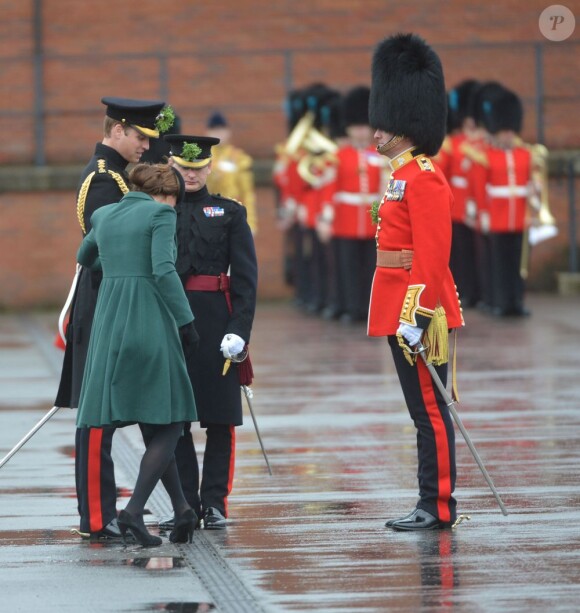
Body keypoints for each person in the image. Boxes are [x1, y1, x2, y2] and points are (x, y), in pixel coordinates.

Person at [54, 97, 175, 540]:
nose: (146, 146)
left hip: (115, 301)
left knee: (113, 411)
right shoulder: (105, 181)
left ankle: (118, 511)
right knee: (96, 415)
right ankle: (97, 516)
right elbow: (107, 253)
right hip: (108, 301)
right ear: (117, 130)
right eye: (141, 137)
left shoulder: (119, 178)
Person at [366, 33, 464, 530]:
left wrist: (418, 313)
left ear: (404, 124)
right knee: (420, 411)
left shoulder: (424, 177)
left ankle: (438, 504)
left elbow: (431, 254)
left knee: (430, 409)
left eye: (383, 124)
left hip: (419, 310)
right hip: (396, 304)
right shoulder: (400, 175)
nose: (374, 133)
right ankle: (429, 499)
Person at [75, 163, 199, 546]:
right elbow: (163, 270)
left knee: (155, 422)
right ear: (166, 194)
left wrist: (116, 269)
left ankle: (182, 511)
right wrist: (186, 320)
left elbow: (85, 256)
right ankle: (133, 511)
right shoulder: (160, 213)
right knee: (172, 421)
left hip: (110, 321)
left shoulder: (104, 214)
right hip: (148, 318)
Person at [160, 133, 258, 530]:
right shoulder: (159, 213)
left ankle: (215, 503)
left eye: (198, 168)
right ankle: (184, 503)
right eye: (184, 169)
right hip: (170, 319)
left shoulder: (230, 213)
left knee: (220, 417)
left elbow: (246, 280)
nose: (192, 175)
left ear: (210, 167)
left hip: (217, 319)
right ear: (172, 167)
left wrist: (240, 331)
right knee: (174, 418)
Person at [317, 85, 387, 323]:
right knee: (346, 268)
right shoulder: (338, 156)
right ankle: (349, 307)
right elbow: (330, 190)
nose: (360, 132)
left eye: (363, 127)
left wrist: (382, 219)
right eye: (356, 127)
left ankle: (370, 310)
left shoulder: (379, 155)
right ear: (349, 128)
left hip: (370, 221)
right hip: (344, 221)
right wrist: (326, 218)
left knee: (371, 269)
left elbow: (383, 189)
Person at [205, 111, 258, 234]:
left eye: (221, 130)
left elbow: (247, 193)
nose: (218, 134)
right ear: (208, 132)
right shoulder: (203, 158)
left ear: (228, 132)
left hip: (233, 214)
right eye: (214, 130)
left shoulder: (239, 158)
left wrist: (251, 222)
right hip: (209, 214)